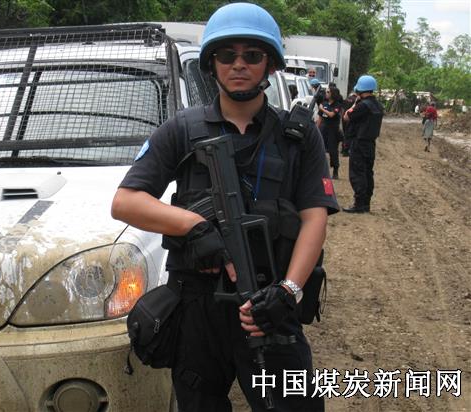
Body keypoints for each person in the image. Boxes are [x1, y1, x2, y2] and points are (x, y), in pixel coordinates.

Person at [111, 3, 339, 411]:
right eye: (226, 55)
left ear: (270, 64)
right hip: (199, 308)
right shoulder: (182, 129)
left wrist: (288, 292)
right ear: (211, 64)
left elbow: (314, 218)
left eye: (252, 55)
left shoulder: (298, 136)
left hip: (270, 303)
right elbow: (126, 202)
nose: (239, 64)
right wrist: (195, 227)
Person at [342, 75, 384, 213]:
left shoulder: (362, 106)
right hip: (370, 144)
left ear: (360, 89)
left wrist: (355, 103)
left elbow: (346, 117)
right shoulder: (378, 105)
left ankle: (358, 205)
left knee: (357, 173)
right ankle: (366, 204)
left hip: (359, 143)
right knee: (367, 173)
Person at [318, 85, 343, 179]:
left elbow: (332, 114)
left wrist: (322, 109)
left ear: (333, 94)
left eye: (328, 92)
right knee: (320, 149)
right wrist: (317, 129)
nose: (326, 93)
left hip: (333, 130)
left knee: (333, 151)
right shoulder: (324, 103)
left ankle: (335, 170)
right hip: (323, 129)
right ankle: (320, 170)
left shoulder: (337, 105)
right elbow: (320, 118)